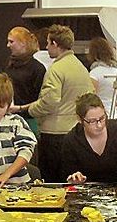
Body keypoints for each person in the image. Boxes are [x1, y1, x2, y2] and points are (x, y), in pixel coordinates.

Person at [13, 25, 94, 182]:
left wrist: (26, 110)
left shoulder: (56, 69)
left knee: (52, 182)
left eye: (48, 43)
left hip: (55, 134)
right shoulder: (81, 67)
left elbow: (49, 101)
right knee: (71, 181)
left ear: (55, 44)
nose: (46, 47)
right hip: (76, 131)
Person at [63, 93, 117, 184]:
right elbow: (66, 174)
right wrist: (74, 178)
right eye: (92, 121)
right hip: (87, 192)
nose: (99, 125)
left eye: (102, 118)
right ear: (80, 120)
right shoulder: (72, 140)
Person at [87, 37, 117, 118]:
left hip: (99, 118)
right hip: (114, 117)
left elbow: (92, 98)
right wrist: (113, 110)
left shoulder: (94, 73)